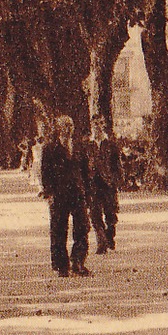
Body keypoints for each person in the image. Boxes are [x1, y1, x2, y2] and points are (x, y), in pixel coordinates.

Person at [40, 116, 91, 277]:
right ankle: (61, 265)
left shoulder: (79, 146)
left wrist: (88, 193)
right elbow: (45, 173)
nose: (68, 129)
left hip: (77, 193)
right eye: (65, 126)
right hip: (59, 194)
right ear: (59, 128)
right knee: (58, 230)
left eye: (71, 125)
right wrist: (49, 193)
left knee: (82, 227)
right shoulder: (50, 148)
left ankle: (78, 261)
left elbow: (85, 171)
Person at [86, 118, 121, 254]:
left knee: (110, 213)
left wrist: (116, 180)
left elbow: (117, 164)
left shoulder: (111, 144)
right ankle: (101, 241)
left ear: (103, 125)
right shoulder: (87, 145)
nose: (97, 127)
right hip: (92, 184)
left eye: (100, 124)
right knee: (94, 214)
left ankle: (109, 235)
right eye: (95, 124)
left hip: (108, 183)